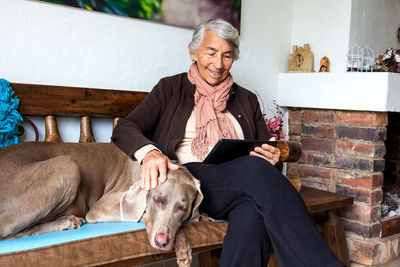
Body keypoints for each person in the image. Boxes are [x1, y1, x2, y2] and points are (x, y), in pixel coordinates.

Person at [111, 19, 344, 267]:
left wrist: (272, 158)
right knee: (255, 171)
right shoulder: (170, 89)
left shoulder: (247, 99)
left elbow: (267, 159)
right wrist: (151, 154)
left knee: (251, 213)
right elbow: (125, 127)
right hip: (189, 183)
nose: (218, 64)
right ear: (193, 51)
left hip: (240, 186)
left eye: (227, 56)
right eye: (211, 53)